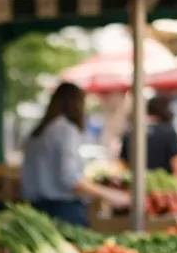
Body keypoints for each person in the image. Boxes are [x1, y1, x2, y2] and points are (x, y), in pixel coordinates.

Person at [20, 82, 130, 225]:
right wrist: (110, 195)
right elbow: (70, 179)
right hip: (63, 210)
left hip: (35, 208)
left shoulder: (39, 132)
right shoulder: (65, 130)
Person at [120, 95, 177, 181]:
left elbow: (123, 162)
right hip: (163, 188)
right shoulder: (168, 132)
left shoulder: (131, 132)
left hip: (135, 185)